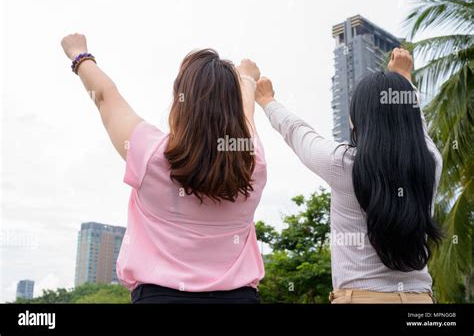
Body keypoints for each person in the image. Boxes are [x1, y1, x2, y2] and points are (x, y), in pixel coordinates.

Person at [61, 33, 266, 304]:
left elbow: (104, 97)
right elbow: (247, 115)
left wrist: (80, 55)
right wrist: (247, 80)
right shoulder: (252, 163)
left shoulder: (151, 153)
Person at [255, 48, 443, 304]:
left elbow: (298, 132)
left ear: (357, 121)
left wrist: (268, 101)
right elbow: (416, 125)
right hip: (420, 301)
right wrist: (403, 78)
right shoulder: (431, 162)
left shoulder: (342, 164)